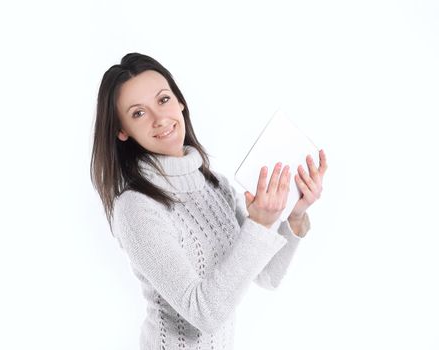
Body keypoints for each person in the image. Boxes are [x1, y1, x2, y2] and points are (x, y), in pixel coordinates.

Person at [90, 52, 327, 350]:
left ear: (180, 102)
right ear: (121, 131)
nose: (160, 118)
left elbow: (267, 276)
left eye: (163, 100)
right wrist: (260, 224)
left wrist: (294, 215)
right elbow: (204, 313)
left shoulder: (215, 186)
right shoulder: (136, 207)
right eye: (138, 113)